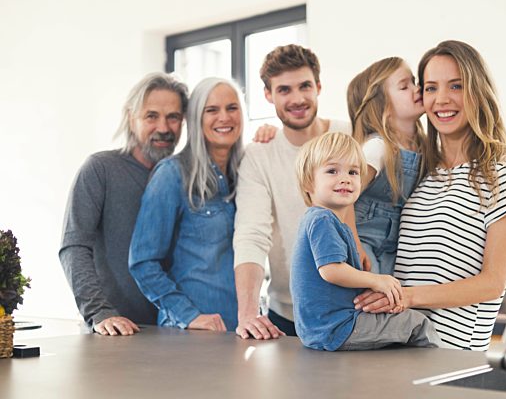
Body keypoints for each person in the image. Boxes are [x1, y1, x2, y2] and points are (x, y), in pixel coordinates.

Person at [356, 40, 506, 351]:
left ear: (478, 91)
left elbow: (493, 283)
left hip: (449, 358)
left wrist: (407, 296)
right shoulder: (423, 172)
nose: (442, 99)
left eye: (456, 86)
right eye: (431, 88)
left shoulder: (503, 176)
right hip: (397, 346)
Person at [233, 44, 352, 339]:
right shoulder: (260, 155)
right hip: (288, 315)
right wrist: (248, 313)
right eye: (284, 90)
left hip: (358, 308)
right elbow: (251, 234)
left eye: (304, 86)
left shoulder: (350, 134)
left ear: (319, 87)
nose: (297, 99)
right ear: (268, 95)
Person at [59, 73, 188, 336]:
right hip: (114, 332)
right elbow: (74, 246)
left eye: (173, 117)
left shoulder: (187, 177)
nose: (163, 127)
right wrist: (99, 312)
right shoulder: (100, 169)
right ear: (131, 118)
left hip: (176, 330)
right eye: (151, 116)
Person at [291, 132, 440, 351]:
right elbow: (331, 270)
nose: (345, 178)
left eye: (353, 172)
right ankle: (433, 380)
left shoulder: (326, 219)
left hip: (326, 327)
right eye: (332, 171)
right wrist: (376, 280)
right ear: (308, 183)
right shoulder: (323, 218)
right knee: (416, 323)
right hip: (336, 327)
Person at [129, 78, 243, 332]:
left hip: (238, 330)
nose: (224, 117)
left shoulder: (246, 174)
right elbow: (143, 262)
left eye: (232, 108)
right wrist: (189, 315)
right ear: (195, 119)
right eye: (211, 110)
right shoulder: (172, 174)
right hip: (189, 332)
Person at [347, 57, 426, 275]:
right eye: (404, 86)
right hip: (363, 239)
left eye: (414, 81)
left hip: (393, 248)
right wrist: (355, 244)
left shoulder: (424, 147)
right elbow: (344, 196)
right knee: (370, 302)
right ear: (385, 107)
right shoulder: (377, 148)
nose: (417, 89)